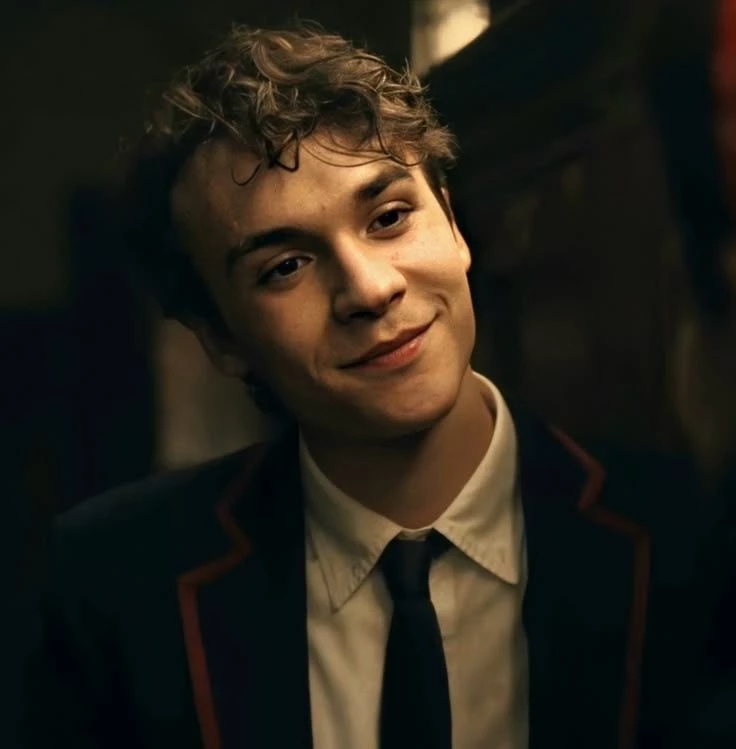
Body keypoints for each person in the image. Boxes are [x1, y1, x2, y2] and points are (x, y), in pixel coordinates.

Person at [21, 23, 708, 749]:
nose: (371, 289)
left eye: (388, 217)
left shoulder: (688, 532)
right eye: (285, 266)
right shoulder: (115, 586)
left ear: (452, 221)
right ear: (221, 339)